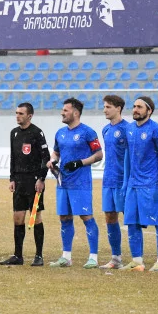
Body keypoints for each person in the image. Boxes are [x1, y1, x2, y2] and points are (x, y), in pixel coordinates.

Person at [46, 98, 103, 268]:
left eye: (65, 110)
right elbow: (56, 153)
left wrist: (80, 163)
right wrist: (52, 161)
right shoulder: (60, 133)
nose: (62, 113)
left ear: (75, 113)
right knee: (64, 217)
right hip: (63, 182)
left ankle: (93, 257)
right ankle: (66, 256)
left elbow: (99, 155)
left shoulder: (88, 132)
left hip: (81, 183)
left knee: (86, 217)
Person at [121, 96, 158, 272]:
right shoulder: (129, 129)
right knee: (132, 222)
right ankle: (137, 261)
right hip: (133, 185)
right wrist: (126, 182)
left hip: (151, 184)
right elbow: (128, 155)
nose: (135, 109)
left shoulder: (156, 130)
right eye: (134, 106)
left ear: (149, 111)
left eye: (139, 107)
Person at [2, 102, 50, 266]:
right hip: (19, 181)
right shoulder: (14, 133)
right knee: (18, 218)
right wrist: (12, 178)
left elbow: (46, 158)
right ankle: (18, 255)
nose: (17, 116)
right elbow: (13, 158)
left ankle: (39, 256)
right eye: (16, 113)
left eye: (21, 113)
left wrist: (41, 179)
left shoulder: (37, 133)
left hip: (34, 182)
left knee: (35, 217)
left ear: (29, 116)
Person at [99, 95, 129, 269]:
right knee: (110, 217)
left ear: (118, 108)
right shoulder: (105, 130)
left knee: (130, 218)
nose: (105, 110)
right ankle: (116, 258)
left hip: (123, 180)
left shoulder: (128, 129)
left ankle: (137, 258)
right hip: (108, 180)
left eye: (108, 107)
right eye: (104, 106)